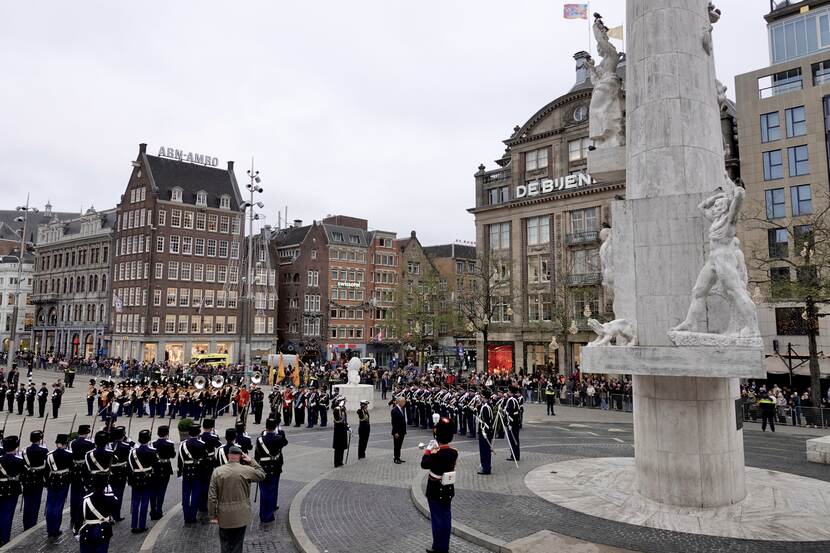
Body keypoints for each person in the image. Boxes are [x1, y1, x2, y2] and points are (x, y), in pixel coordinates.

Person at [208, 446, 265, 553]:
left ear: (227, 456)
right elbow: (262, 474)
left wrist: (213, 515)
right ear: (240, 457)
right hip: (241, 514)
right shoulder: (246, 470)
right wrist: (251, 461)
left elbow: (212, 497)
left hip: (224, 514)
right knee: (238, 543)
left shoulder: (217, 472)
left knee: (225, 542)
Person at [420, 417, 458, 553]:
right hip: (448, 488)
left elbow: (424, 464)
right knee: (446, 517)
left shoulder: (436, 452)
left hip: (435, 489)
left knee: (437, 519)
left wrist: (429, 449)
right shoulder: (454, 452)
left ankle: (438, 547)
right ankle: (444, 547)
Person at [255, 417, 287, 526]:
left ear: (266, 427)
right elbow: (285, 442)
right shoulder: (278, 438)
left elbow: (257, 455)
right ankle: (269, 515)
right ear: (275, 427)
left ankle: (263, 513)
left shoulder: (259, 439)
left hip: (263, 467)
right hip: (275, 468)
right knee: (272, 491)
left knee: (263, 492)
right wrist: (280, 431)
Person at [128, 429, 160, 534]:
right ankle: (142, 525)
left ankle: (134, 525)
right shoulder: (152, 451)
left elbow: (129, 468)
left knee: (135, 502)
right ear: (149, 439)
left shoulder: (132, 452)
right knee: (145, 502)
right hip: (148, 479)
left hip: (135, 479)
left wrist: (130, 481)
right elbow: (156, 467)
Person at [78, 473, 117, 553]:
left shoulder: (85, 500)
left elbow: (78, 518)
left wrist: (76, 533)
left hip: (87, 532)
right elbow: (116, 506)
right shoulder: (110, 499)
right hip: (103, 531)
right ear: (105, 486)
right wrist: (110, 491)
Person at [45, 433, 73, 537]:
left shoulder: (49, 455)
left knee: (50, 506)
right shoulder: (69, 454)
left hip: (52, 481)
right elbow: (72, 469)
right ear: (66, 443)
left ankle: (49, 529)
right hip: (64, 481)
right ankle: (55, 529)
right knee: (58, 506)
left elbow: (46, 471)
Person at [178, 423, 207, 524]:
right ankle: (193, 516)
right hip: (198, 472)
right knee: (196, 495)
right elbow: (204, 461)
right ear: (199, 433)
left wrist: (179, 473)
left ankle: (186, 517)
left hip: (186, 472)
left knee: (185, 495)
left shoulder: (183, 444)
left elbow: (180, 460)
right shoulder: (201, 444)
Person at [21, 430, 49, 530]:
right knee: (36, 502)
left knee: (27, 503)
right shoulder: (43, 450)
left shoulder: (24, 450)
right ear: (40, 439)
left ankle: (26, 524)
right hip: (38, 479)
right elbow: (47, 466)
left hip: (27, 480)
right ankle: (33, 523)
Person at [69, 425, 95, 530]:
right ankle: (82, 513)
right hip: (85, 469)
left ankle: (73, 514)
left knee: (74, 494)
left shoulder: (73, 443)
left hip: (75, 470)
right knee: (84, 493)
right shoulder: (89, 443)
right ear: (86, 433)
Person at [0, 435, 24, 545]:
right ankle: (4, 538)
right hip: (12, 489)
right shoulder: (18, 460)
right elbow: (23, 474)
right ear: (15, 447)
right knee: (7, 515)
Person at [150, 425, 175, 521]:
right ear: (167, 434)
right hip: (165, 468)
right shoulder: (170, 444)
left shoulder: (153, 444)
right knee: (161, 490)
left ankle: (153, 511)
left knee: (153, 491)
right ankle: (159, 510)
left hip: (155, 468)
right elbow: (173, 455)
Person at [477, 391, 494, 475]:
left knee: (484, 450)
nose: (481, 398)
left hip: (484, 432)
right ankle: (486, 466)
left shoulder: (485, 407)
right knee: (485, 450)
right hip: (486, 431)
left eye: (482, 397)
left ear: (484, 397)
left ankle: (486, 468)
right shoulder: (487, 406)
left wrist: (484, 431)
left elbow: (487, 421)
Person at [504, 388, 521, 462]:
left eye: (508, 391)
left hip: (513, 423)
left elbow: (511, 413)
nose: (507, 392)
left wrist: (510, 423)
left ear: (511, 392)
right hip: (515, 422)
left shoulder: (511, 400)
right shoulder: (515, 399)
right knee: (515, 439)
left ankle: (514, 455)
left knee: (513, 440)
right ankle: (515, 454)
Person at [332, 397, 349, 467]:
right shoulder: (337, 409)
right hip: (338, 431)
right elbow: (338, 420)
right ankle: (337, 462)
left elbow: (345, 420)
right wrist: (339, 406)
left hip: (343, 430)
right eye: (343, 402)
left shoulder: (343, 409)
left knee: (342, 446)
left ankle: (340, 461)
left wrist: (348, 427)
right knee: (338, 447)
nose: (344, 403)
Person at [391, 396, 407, 464]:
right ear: (399, 402)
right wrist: (396, 432)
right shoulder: (394, 410)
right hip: (397, 431)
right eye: (403, 401)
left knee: (399, 445)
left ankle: (398, 457)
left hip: (402, 431)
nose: (404, 402)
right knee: (396, 445)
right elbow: (394, 422)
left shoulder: (401, 408)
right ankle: (396, 458)